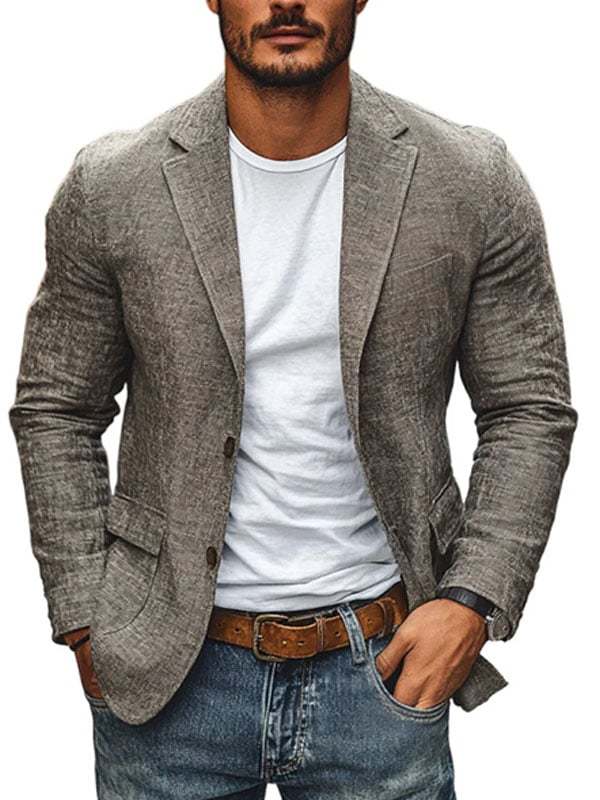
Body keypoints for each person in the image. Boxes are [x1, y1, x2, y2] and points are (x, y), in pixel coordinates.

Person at [8, 1, 578, 798]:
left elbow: (528, 406)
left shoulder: (468, 179)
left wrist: (473, 600)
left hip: (383, 671)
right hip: (166, 679)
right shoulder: (114, 186)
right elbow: (58, 405)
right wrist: (82, 616)